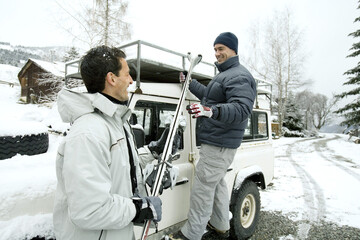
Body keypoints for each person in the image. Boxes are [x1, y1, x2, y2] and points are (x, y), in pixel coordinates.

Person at [53, 45, 162, 240]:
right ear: (111, 78)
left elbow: (120, 168)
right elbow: (89, 210)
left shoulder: (115, 121)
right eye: (127, 75)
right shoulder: (88, 133)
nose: (131, 81)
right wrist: (138, 209)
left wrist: (153, 152)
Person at [170, 32, 257, 240]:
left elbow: (241, 109)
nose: (217, 53)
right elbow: (209, 96)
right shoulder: (225, 74)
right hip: (217, 142)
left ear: (233, 49)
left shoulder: (239, 75)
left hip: (220, 143)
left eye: (221, 49)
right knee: (215, 184)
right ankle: (220, 224)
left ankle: (192, 234)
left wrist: (210, 111)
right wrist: (189, 82)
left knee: (202, 189)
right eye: (215, 49)